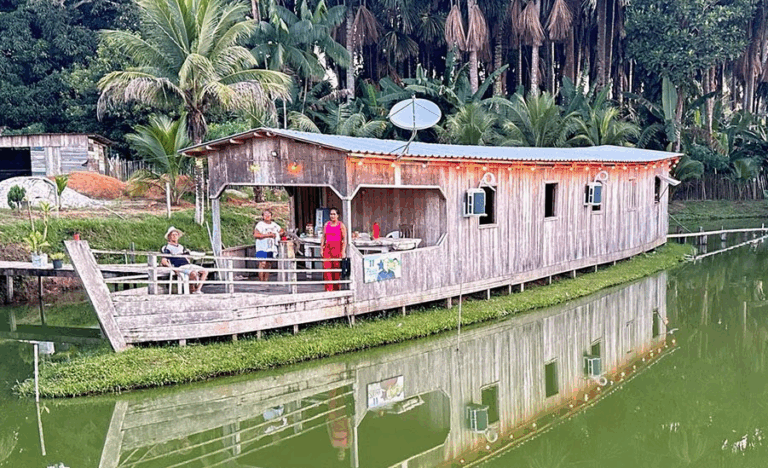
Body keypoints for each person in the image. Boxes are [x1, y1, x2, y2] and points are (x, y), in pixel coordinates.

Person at [160, 226, 208, 294]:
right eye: (173, 235)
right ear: (169, 237)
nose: (175, 236)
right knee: (193, 273)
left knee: (205, 271)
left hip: (188, 265)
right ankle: (192, 290)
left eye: (176, 235)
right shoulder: (167, 248)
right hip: (180, 267)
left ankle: (198, 289)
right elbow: (164, 261)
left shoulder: (181, 247)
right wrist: (173, 268)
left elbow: (188, 255)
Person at [253, 209, 284, 281]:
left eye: (269, 214)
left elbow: (282, 230)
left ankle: (266, 280)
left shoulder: (274, 225)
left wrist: (277, 234)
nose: (267, 216)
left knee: (268, 264)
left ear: (271, 216)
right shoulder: (260, 225)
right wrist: (267, 235)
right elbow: (256, 235)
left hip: (271, 247)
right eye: (265, 214)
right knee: (262, 263)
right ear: (263, 216)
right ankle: (261, 281)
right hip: (261, 247)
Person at [321, 208, 347, 291]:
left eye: (334, 214)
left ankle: (336, 289)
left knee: (336, 270)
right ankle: (328, 289)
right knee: (327, 269)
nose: (332, 216)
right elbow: (323, 237)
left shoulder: (341, 225)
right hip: (327, 249)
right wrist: (321, 248)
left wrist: (343, 251)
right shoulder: (326, 224)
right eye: (331, 214)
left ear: (338, 215)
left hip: (337, 249)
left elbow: (344, 239)